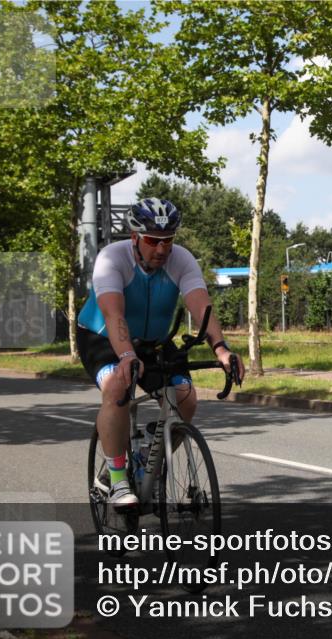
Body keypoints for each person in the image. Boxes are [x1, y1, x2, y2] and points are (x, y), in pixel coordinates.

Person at [76, 198, 245, 509]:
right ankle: (116, 480)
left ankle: (145, 459)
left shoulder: (181, 260)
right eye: (154, 241)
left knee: (185, 396)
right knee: (118, 387)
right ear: (135, 238)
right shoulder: (111, 259)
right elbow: (114, 316)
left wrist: (221, 349)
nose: (162, 249)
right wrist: (126, 357)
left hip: (154, 340)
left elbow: (200, 304)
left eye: (168, 240)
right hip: (101, 336)